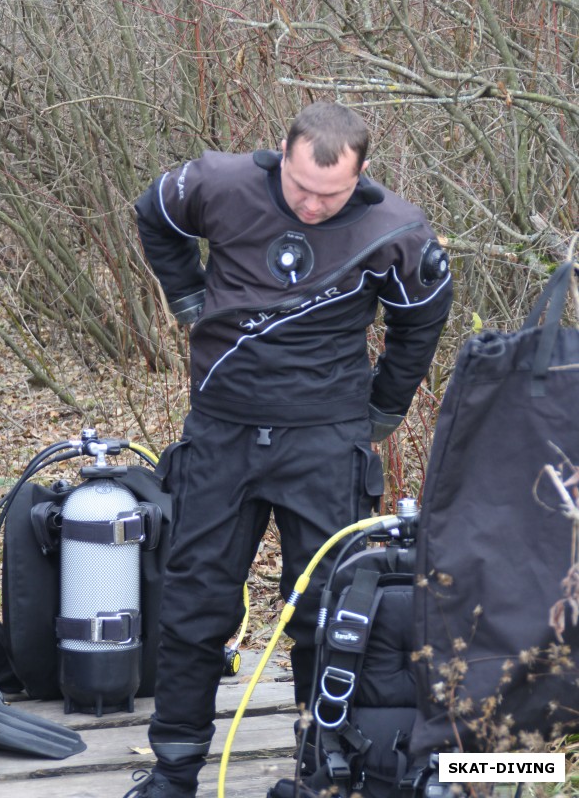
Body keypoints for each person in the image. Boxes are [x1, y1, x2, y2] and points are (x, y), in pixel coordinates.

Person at [124, 102, 453, 798]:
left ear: (360, 177)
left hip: (325, 438)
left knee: (330, 610)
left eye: (329, 194)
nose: (310, 204)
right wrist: (187, 296)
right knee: (195, 601)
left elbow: (421, 319)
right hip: (221, 431)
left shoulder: (394, 229)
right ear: (282, 154)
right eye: (301, 187)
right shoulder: (217, 183)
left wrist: (382, 410)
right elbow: (152, 213)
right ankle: (174, 770)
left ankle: (322, 770)